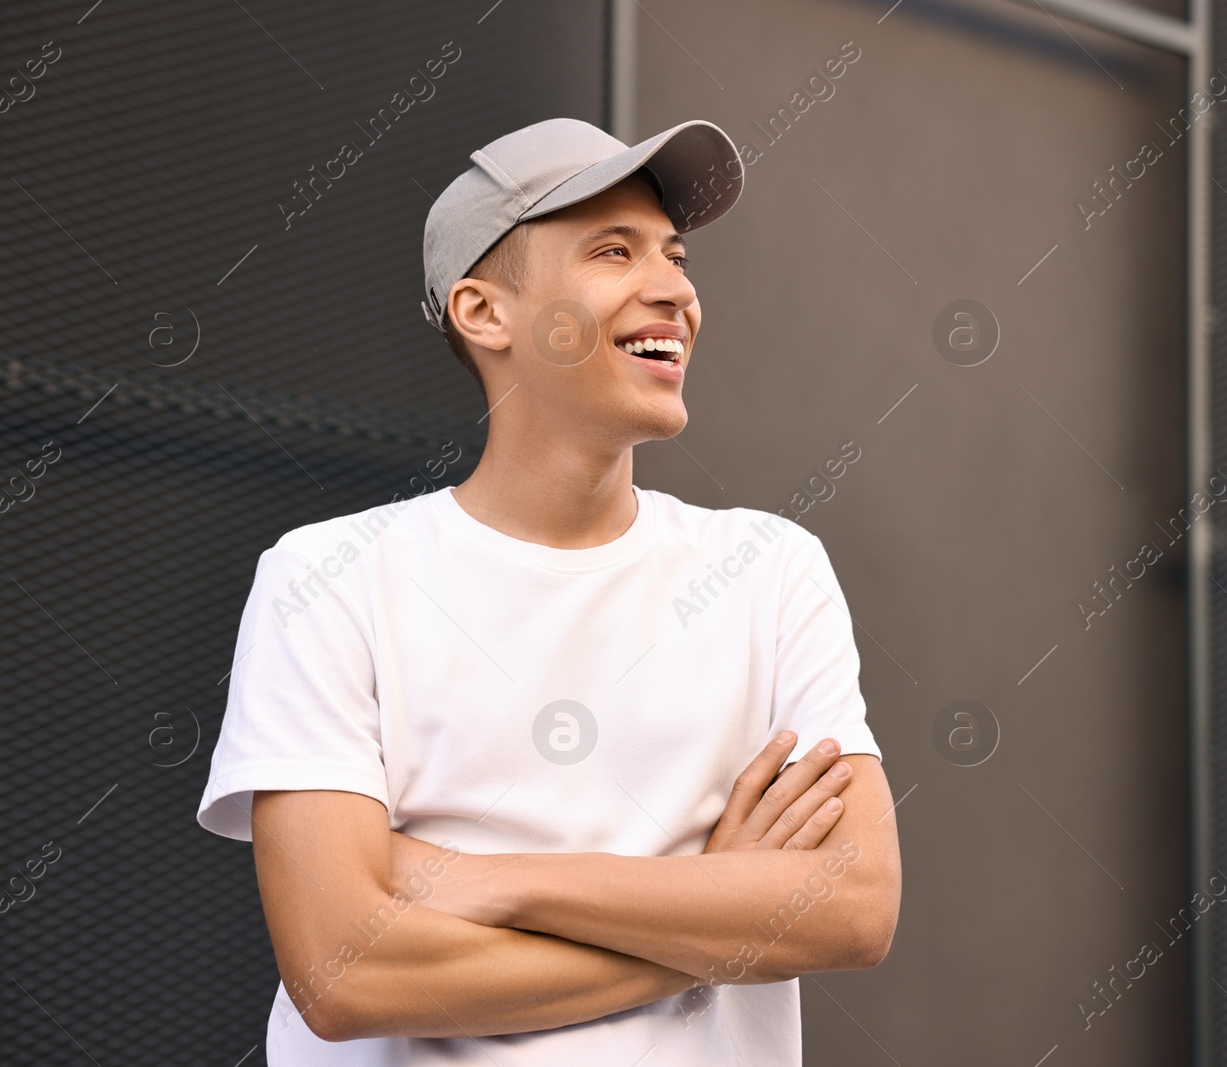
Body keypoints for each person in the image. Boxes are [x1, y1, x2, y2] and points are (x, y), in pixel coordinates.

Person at [195, 117, 901, 1065]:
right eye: (614, 251)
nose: (676, 292)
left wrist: (492, 883)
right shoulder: (326, 578)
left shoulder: (772, 569)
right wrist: (721, 909)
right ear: (484, 312)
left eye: (677, 257)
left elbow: (854, 909)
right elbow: (343, 972)